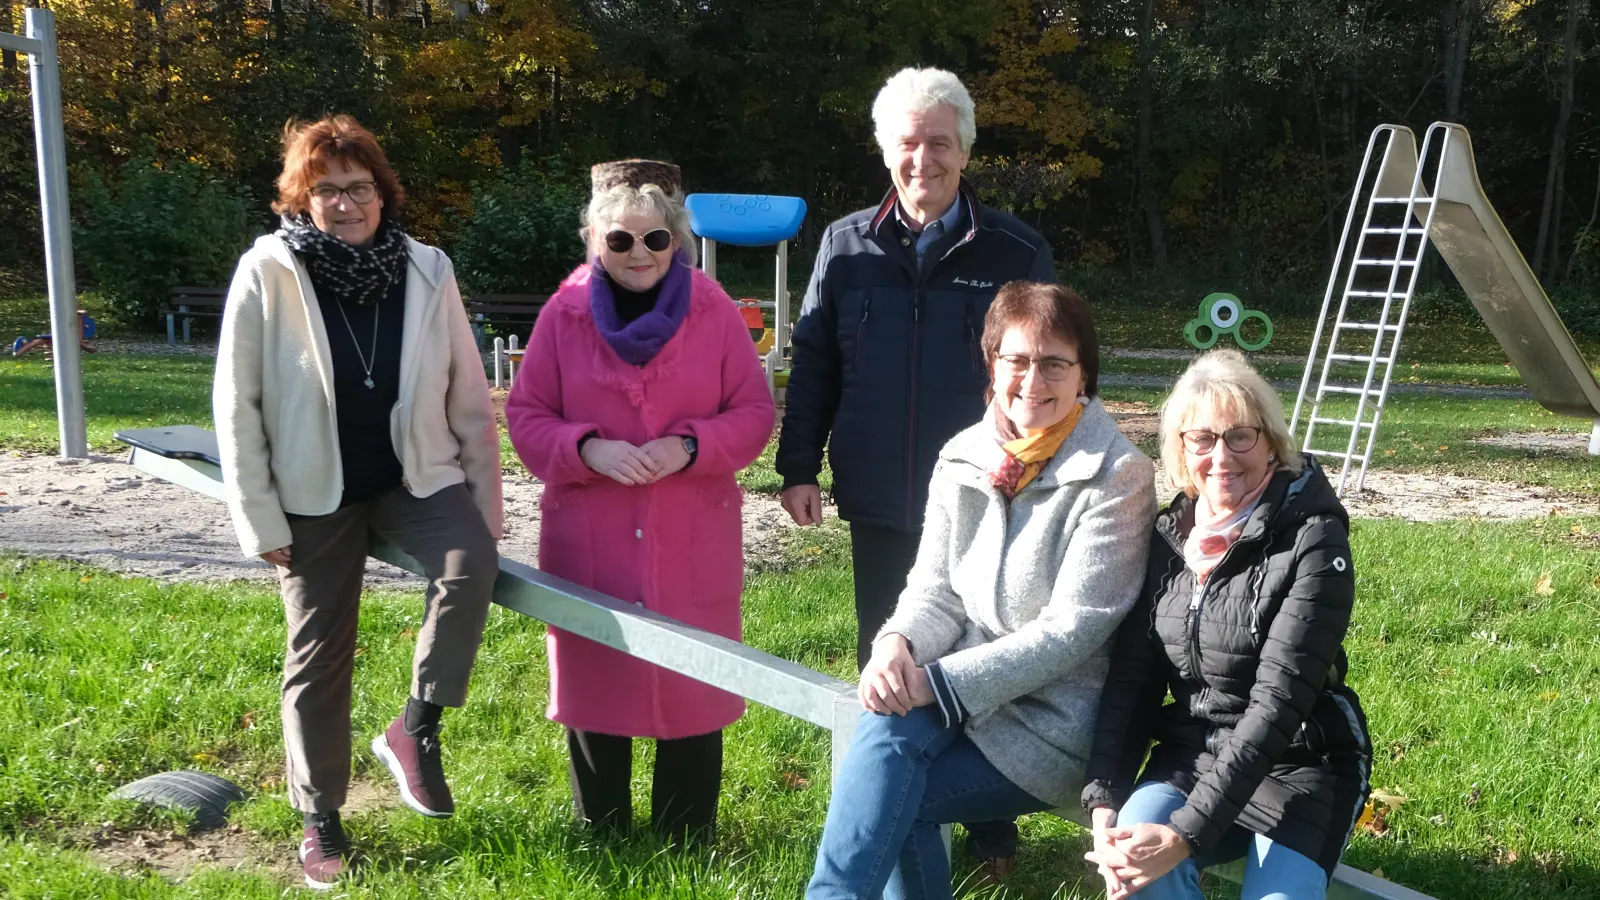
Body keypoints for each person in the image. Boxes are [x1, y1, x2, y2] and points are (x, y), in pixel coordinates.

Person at [776, 65, 1056, 875]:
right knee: (890, 657)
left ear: (965, 151)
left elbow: (1045, 375)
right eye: (908, 143)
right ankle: (903, 821)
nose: (922, 159)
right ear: (884, 151)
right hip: (879, 494)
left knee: (982, 657)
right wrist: (799, 466)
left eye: (940, 143)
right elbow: (816, 363)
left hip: (990, 499)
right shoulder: (845, 244)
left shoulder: (1014, 249)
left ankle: (990, 829)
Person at [214, 115, 502, 890]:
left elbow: (469, 397)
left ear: (383, 193)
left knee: (472, 562)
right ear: (302, 199)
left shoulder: (426, 266)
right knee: (318, 653)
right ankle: (320, 819)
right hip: (313, 492)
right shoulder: (269, 269)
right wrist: (258, 514)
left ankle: (414, 730)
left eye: (360, 188)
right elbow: (235, 403)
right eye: (328, 190)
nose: (346, 204)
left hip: (415, 476)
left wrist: (485, 497)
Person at [805, 282, 1155, 900]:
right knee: (883, 723)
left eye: (1054, 363)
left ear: (1084, 376)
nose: (1033, 380)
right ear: (992, 364)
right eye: (1016, 359)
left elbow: (1072, 630)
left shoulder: (1117, 475)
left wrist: (937, 683)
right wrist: (896, 643)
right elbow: (934, 588)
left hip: (1050, 722)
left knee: (897, 803)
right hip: (952, 696)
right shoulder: (963, 454)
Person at [504, 159, 775, 845]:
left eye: (656, 240)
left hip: (690, 531)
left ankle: (689, 836)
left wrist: (691, 446)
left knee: (693, 679)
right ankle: (603, 831)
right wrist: (586, 449)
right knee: (598, 673)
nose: (639, 254)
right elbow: (527, 413)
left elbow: (751, 412)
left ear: (676, 242)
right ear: (594, 240)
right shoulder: (563, 312)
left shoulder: (713, 307)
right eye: (619, 241)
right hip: (590, 531)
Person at [1081, 349, 1371, 900]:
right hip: (1192, 754)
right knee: (1136, 873)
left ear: (1270, 442)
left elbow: (1277, 706)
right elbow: (1133, 678)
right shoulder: (1170, 535)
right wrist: (1105, 795)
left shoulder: (1313, 538)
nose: (1221, 457)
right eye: (1201, 439)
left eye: (1240, 435)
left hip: (1301, 765)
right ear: (1180, 448)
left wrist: (1185, 835)